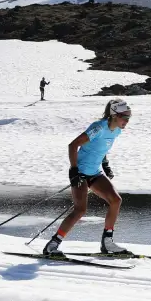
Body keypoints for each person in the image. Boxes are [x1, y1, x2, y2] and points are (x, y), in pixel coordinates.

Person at [43, 98, 132, 257]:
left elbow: (102, 147)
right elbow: (73, 145)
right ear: (113, 114)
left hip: (95, 173)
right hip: (80, 173)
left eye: (128, 117)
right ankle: (52, 245)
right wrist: (74, 171)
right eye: (124, 116)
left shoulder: (117, 130)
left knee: (116, 200)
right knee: (80, 210)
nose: (126, 120)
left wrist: (105, 164)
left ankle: (107, 243)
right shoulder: (98, 127)